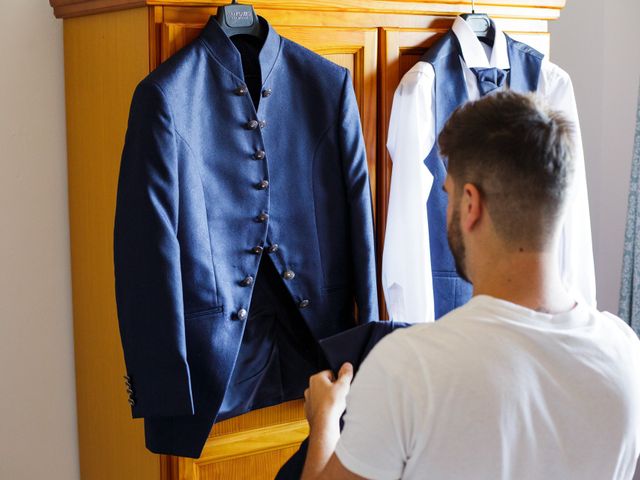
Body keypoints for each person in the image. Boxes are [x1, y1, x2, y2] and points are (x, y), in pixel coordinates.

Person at [299, 91, 640, 480]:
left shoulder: (408, 369)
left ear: (470, 204)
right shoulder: (626, 353)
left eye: (447, 195)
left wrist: (323, 421)